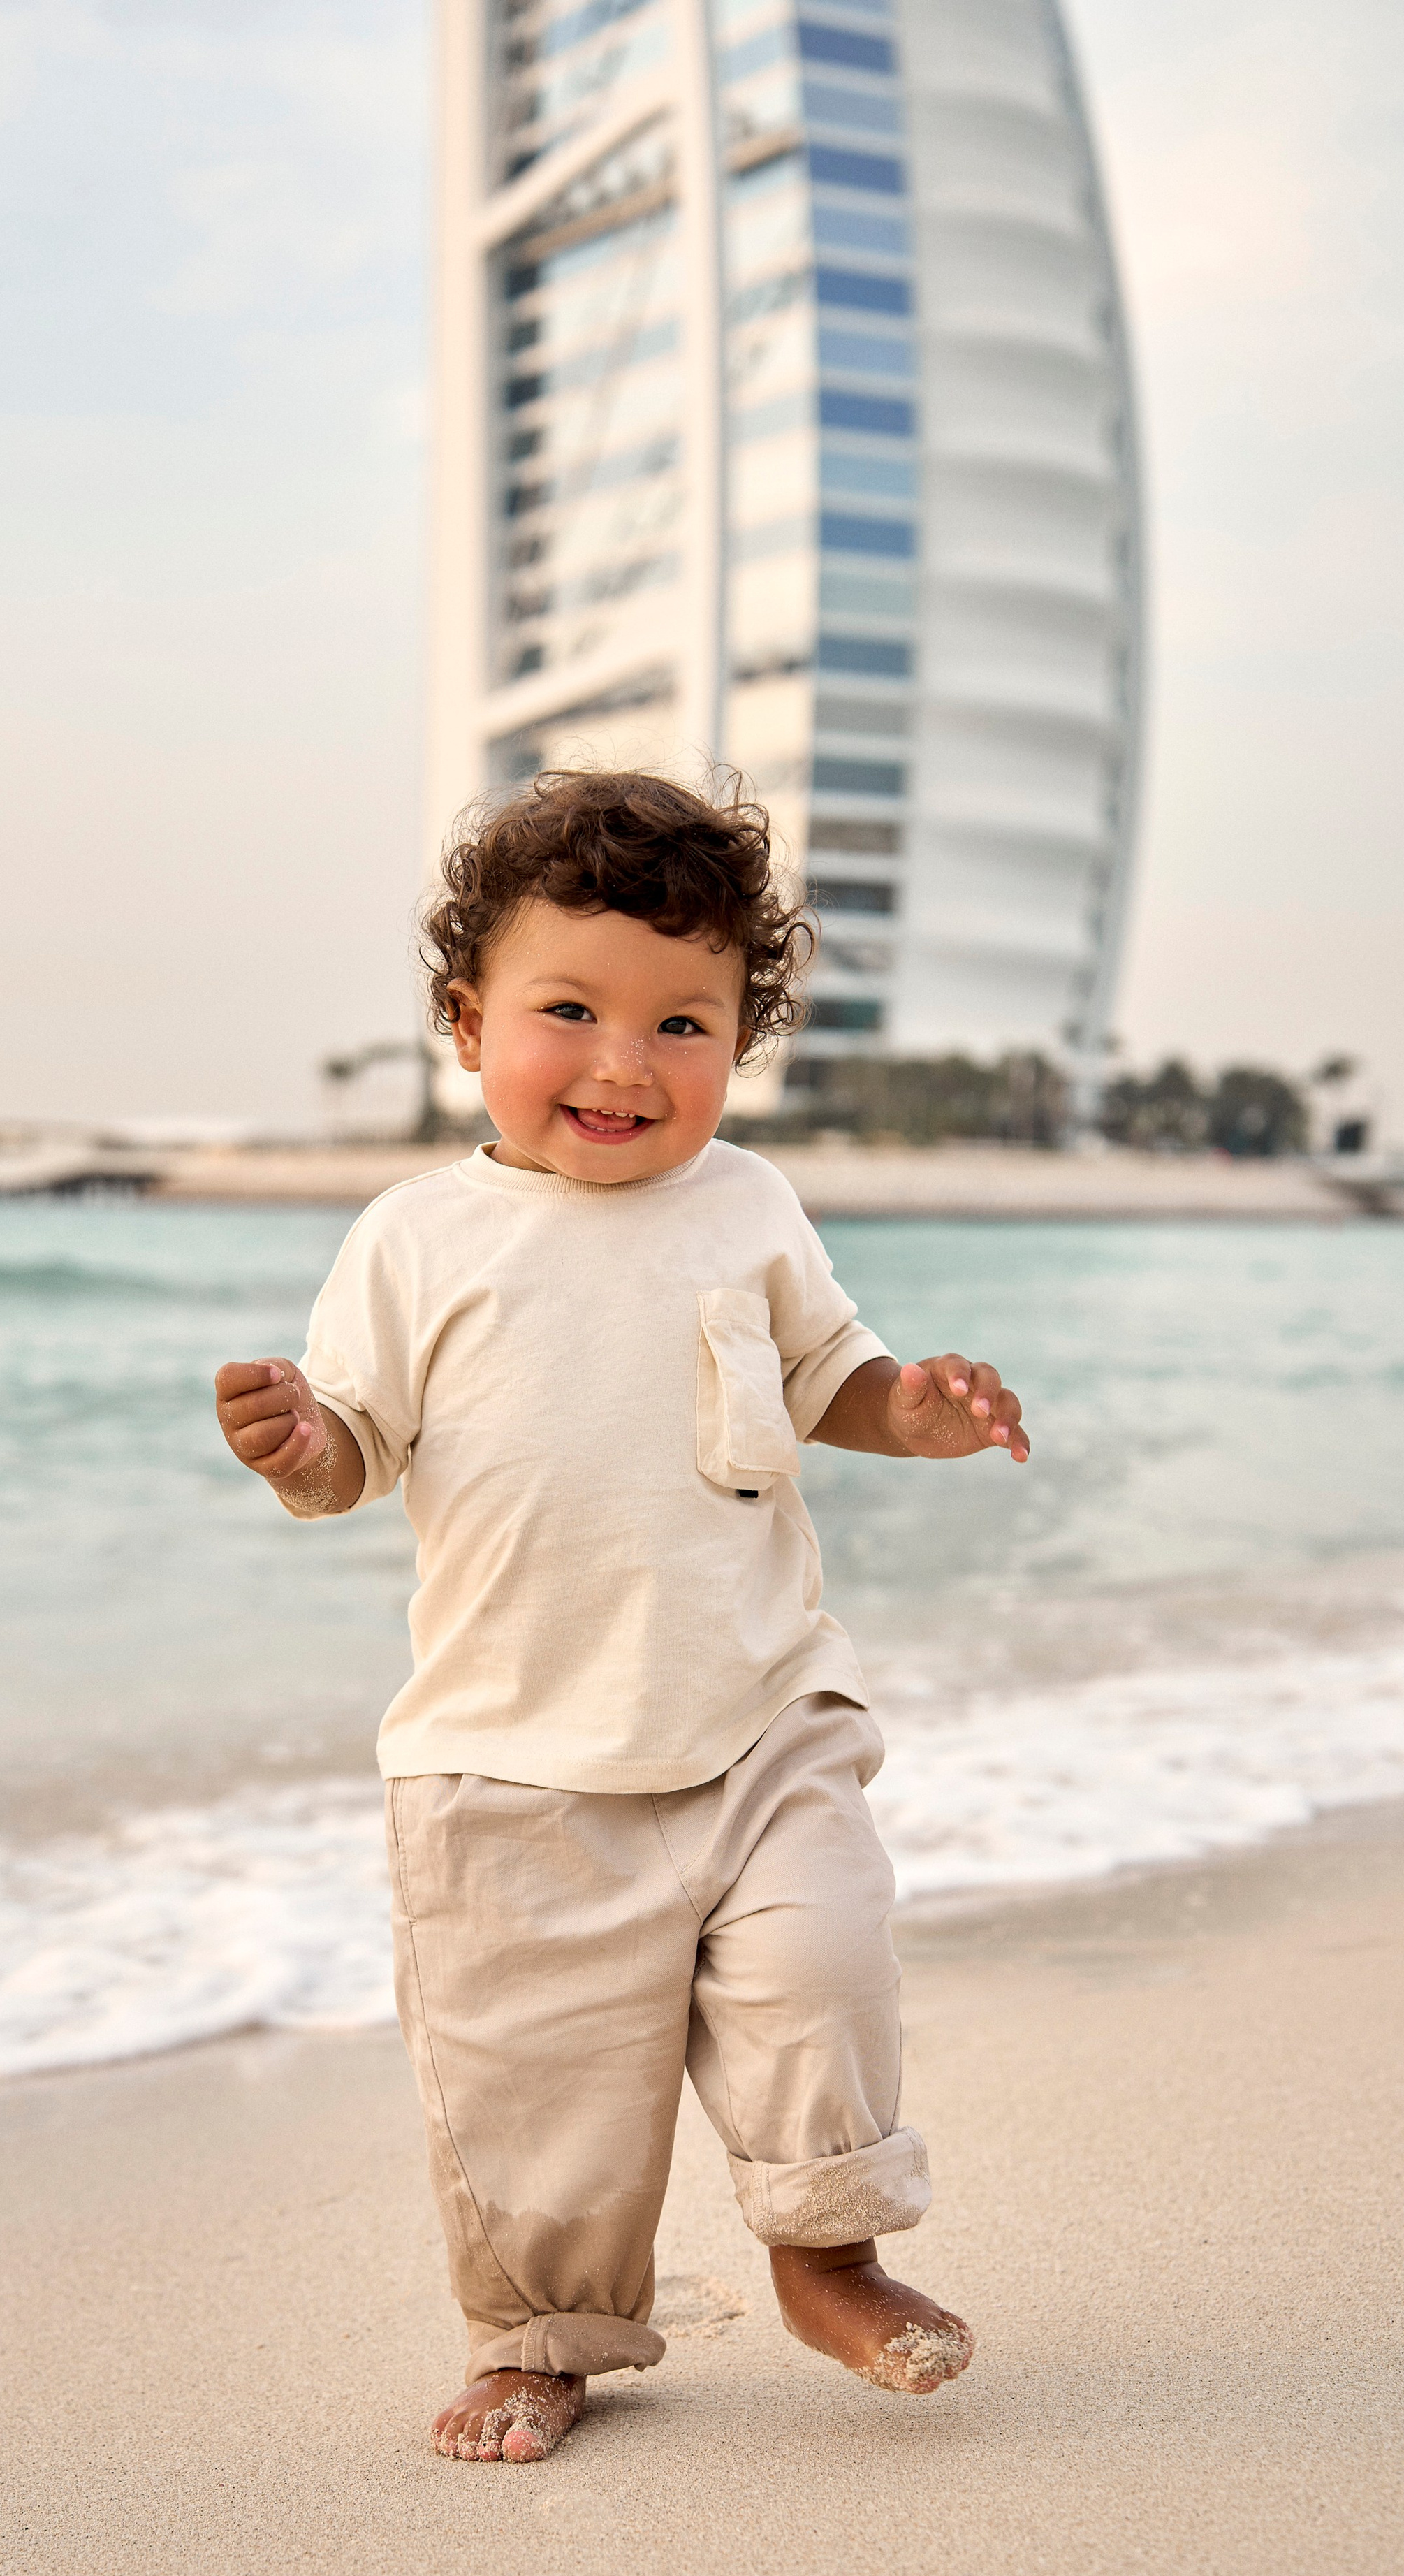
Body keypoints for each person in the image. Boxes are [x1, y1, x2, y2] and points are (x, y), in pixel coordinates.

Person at [216, 771, 1028, 2466]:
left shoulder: (746, 1204)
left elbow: (832, 1381)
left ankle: (826, 2257)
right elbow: (353, 1448)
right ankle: (538, 2337)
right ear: (466, 1022)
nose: (623, 1062)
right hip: (509, 1760)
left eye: (683, 1023)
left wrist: (919, 1410)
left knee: (823, 1966)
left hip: (754, 1714)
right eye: (567, 1010)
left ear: (738, 1043)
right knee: (536, 2093)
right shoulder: (416, 1237)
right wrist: (301, 1443)